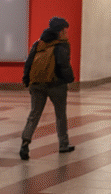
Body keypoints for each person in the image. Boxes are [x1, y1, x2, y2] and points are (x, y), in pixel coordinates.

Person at [19, 16, 75, 160]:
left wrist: (26, 80)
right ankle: (63, 145)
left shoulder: (38, 43)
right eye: (65, 30)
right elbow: (64, 65)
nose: (67, 33)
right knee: (60, 115)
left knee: (34, 114)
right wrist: (70, 79)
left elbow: (29, 63)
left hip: (37, 84)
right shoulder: (62, 45)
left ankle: (25, 143)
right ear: (61, 31)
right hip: (56, 85)